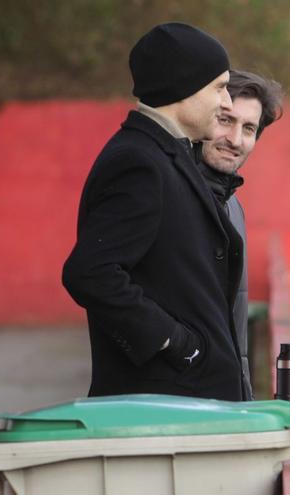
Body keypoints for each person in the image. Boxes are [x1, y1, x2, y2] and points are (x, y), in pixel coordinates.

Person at [62, 22, 248, 401]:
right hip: (165, 405)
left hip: (182, 402)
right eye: (219, 87)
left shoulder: (163, 154)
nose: (227, 102)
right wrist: (178, 345)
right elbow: (90, 274)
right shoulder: (140, 162)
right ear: (184, 88)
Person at [197, 70, 284, 400]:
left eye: (248, 129)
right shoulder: (169, 192)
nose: (235, 139)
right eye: (225, 120)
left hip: (223, 400)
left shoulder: (233, 205)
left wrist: (243, 399)